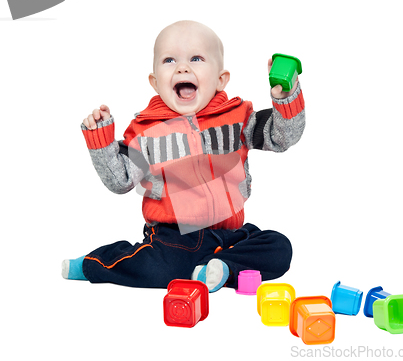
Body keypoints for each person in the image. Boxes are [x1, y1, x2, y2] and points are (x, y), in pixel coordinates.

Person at [62, 20, 305, 292]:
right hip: (173, 238)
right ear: (155, 82)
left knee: (279, 247)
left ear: (221, 79)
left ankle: (220, 266)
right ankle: (92, 264)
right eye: (169, 60)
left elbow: (282, 136)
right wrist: (101, 142)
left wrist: (286, 98)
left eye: (196, 58)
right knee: (158, 269)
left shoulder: (238, 117)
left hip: (230, 236)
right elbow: (120, 181)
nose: (182, 67)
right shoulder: (145, 131)